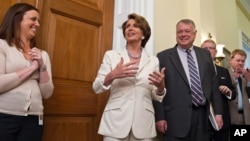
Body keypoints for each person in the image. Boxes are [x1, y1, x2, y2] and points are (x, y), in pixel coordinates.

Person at [92, 13, 166, 141]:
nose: (130, 28)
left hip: (143, 123)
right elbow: (96, 87)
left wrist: (160, 87)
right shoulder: (112, 55)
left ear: (143, 34)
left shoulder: (153, 60)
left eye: (135, 26)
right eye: (127, 26)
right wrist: (112, 75)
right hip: (115, 123)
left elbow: (155, 95)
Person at [153, 19, 223, 141]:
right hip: (175, 120)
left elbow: (213, 85)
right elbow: (157, 88)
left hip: (202, 118)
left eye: (187, 31)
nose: (183, 34)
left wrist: (218, 113)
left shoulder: (205, 55)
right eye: (179, 31)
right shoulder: (163, 57)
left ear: (195, 34)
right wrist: (160, 117)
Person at [0, 3, 54, 141]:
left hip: (35, 120)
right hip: (4, 116)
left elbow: (47, 93)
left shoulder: (43, 55)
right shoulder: (2, 46)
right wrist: (31, 68)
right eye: (33, 19)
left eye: (39, 21)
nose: (37, 24)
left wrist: (41, 66)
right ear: (17, 19)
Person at [201, 39, 236, 141]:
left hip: (223, 120)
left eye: (210, 48)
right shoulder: (196, 71)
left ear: (215, 52)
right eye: (205, 48)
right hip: (202, 120)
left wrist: (228, 91)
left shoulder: (224, 71)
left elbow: (233, 94)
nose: (208, 50)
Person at [228, 49, 250, 125]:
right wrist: (234, 79)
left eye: (243, 61)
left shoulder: (245, 76)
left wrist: (248, 81)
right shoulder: (225, 73)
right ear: (231, 60)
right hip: (232, 115)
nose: (240, 63)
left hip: (246, 116)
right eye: (238, 60)